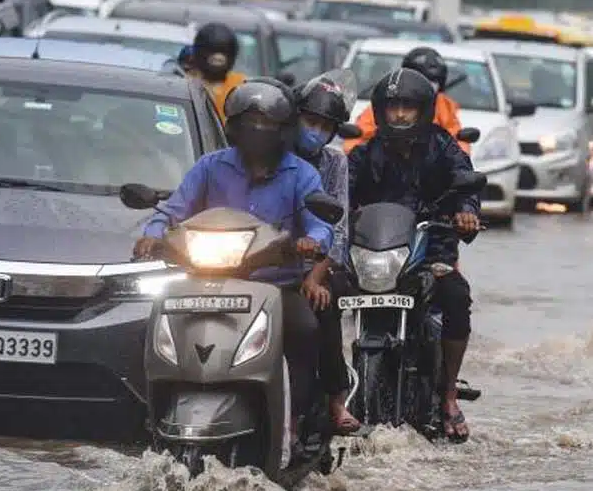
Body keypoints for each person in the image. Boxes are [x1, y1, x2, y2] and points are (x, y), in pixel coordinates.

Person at [133, 78, 333, 438]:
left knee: (305, 330)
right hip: (204, 280)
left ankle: (296, 420)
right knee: (153, 327)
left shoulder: (301, 174)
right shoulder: (210, 167)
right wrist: (152, 234)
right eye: (250, 123)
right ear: (234, 127)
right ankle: (150, 415)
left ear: (283, 131)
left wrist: (311, 242)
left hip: (274, 286)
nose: (258, 132)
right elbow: (173, 210)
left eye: (268, 125)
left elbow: (322, 226)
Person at [348, 67, 482, 443]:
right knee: (318, 297)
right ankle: (325, 400)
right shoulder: (365, 154)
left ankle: (449, 393)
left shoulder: (442, 147)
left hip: (428, 256)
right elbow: (341, 195)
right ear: (381, 111)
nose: (401, 115)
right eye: (393, 108)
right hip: (375, 258)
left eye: (408, 107)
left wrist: (467, 212)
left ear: (422, 111)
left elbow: (465, 183)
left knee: (456, 296)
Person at [292, 69, 363, 434]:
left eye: (324, 125)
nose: (315, 130)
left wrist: (316, 274)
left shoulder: (334, 163)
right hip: (268, 258)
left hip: (320, 262)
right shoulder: (273, 156)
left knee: (325, 304)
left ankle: (336, 397)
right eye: (310, 121)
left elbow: (336, 228)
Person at [343, 46, 469, 155]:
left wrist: (460, 168)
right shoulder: (386, 103)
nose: (401, 113)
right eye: (422, 79)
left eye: (435, 81)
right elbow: (357, 139)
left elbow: (458, 141)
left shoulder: (445, 105)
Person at [189, 22, 246, 121]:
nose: (217, 62)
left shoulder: (241, 86)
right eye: (213, 58)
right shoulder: (186, 83)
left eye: (220, 59)